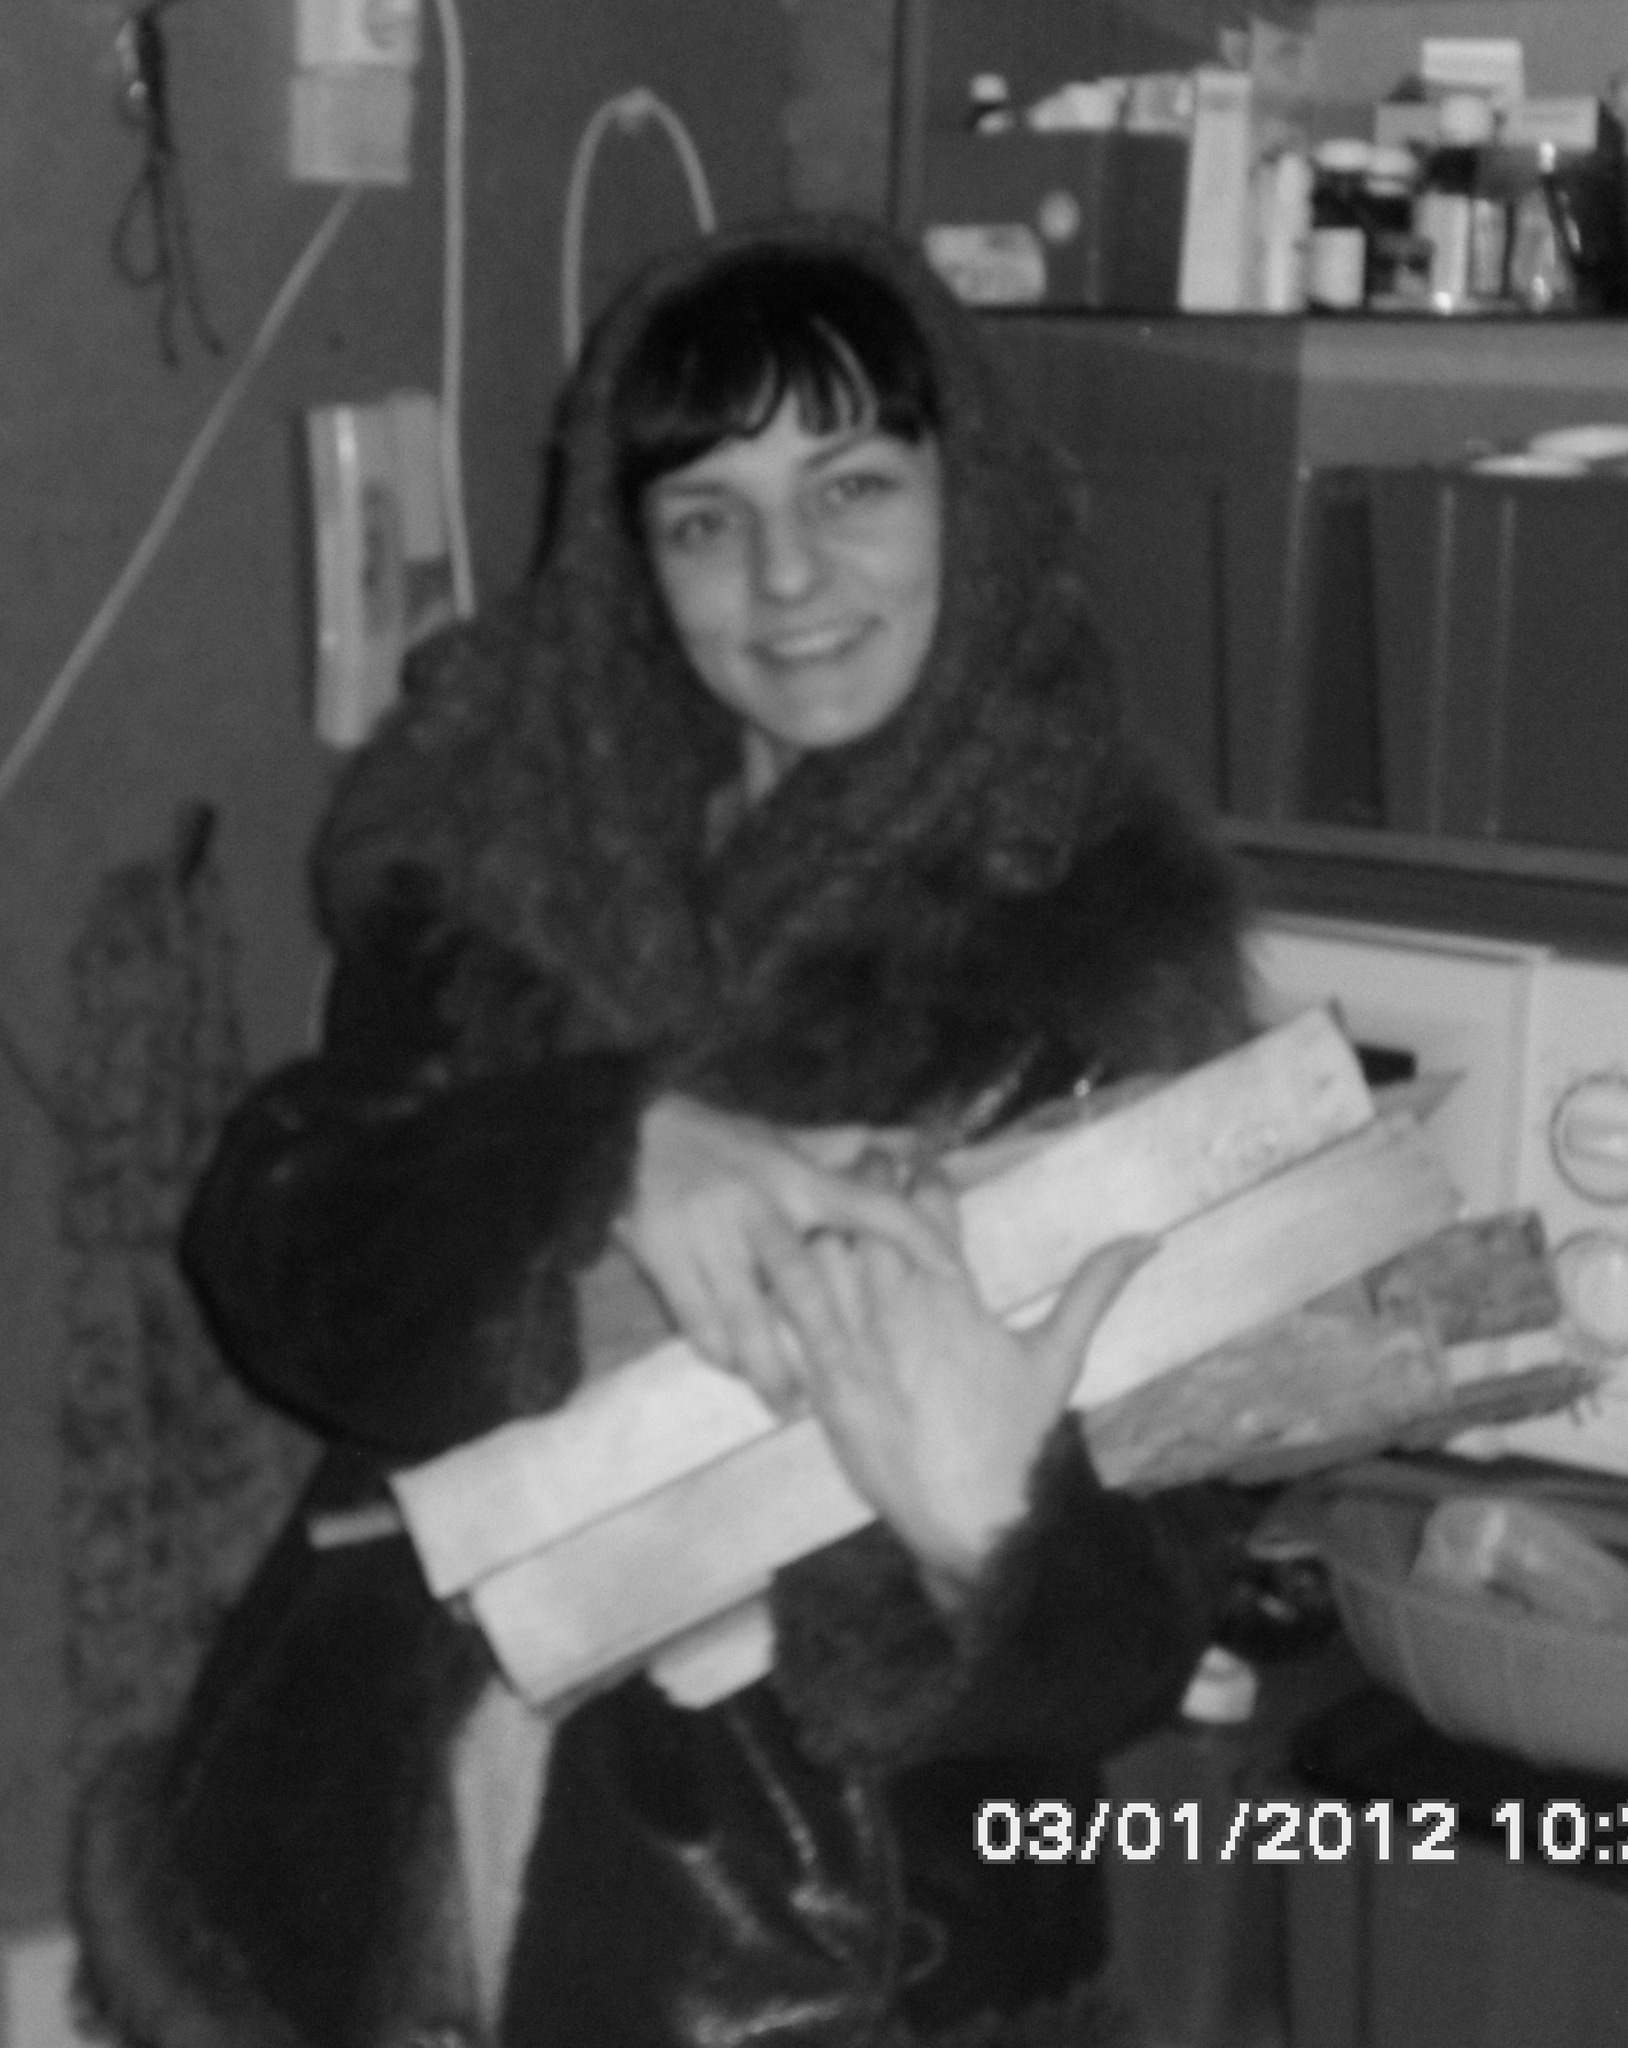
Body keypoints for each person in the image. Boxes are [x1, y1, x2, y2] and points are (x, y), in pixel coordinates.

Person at [72, 214, 1255, 2048]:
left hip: (809, 1945)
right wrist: (610, 1157)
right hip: (363, 1873)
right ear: (635, 561)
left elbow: (1144, 1634)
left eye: (852, 486)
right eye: (705, 517)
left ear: (974, 503)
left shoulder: (1106, 960)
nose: (785, 575)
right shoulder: (508, 864)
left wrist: (986, 1530)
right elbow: (283, 1248)